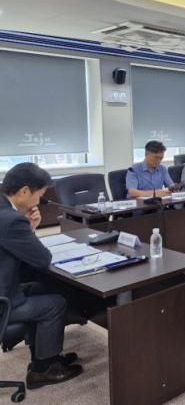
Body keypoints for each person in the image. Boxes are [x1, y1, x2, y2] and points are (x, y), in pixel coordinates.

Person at [0, 163, 83, 388]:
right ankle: (42, 370)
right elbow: (42, 259)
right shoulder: (11, 220)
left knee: (43, 289)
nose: (39, 201)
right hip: (3, 300)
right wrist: (31, 228)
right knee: (55, 304)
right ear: (24, 191)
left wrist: (27, 230)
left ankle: (45, 356)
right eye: (39, 195)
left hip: (6, 285)